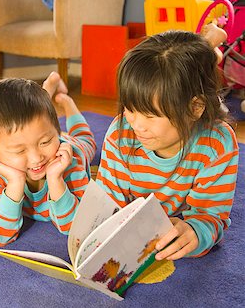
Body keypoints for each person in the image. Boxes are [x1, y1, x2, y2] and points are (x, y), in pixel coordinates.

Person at [96, 25, 239, 260]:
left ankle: (211, 44)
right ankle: (209, 44)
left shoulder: (217, 144)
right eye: (130, 109)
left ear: (194, 108)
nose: (137, 125)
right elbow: (107, 201)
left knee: (203, 65)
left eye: (150, 115)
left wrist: (196, 231)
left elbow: (211, 216)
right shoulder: (121, 132)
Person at [0, 72, 96, 246]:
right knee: (36, 125)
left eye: (45, 142)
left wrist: (55, 180)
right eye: (19, 151)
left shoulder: (70, 160)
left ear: (56, 131)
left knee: (87, 141)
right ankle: (47, 90)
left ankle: (67, 103)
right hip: (40, 130)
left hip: (70, 145)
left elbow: (74, 227)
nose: (36, 159)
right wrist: (15, 184)